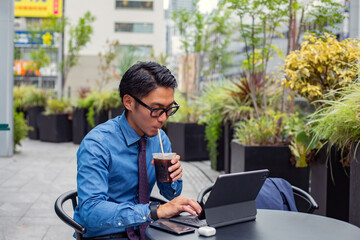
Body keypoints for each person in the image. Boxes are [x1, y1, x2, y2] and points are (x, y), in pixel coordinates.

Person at [74, 61, 202, 240]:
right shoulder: (98, 144)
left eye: (169, 109)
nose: (163, 118)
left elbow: (170, 193)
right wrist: (154, 211)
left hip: (149, 231)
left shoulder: (160, 139)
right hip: (107, 234)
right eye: (157, 109)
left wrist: (172, 179)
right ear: (129, 102)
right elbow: (91, 211)